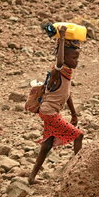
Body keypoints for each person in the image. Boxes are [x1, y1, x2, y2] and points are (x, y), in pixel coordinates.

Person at [28, 26, 83, 184]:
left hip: (49, 112)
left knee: (47, 145)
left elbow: (67, 94)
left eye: (77, 58)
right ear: (64, 57)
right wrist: (62, 38)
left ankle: (31, 178)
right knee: (78, 135)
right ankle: (76, 171)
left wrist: (73, 113)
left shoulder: (67, 72)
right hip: (50, 113)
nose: (76, 62)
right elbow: (59, 62)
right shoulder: (56, 72)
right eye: (73, 58)